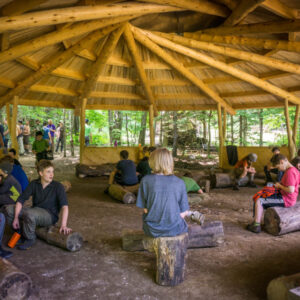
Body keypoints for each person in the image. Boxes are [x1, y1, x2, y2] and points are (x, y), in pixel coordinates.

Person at [3, 160, 72, 250]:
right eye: (48, 172)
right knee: (8, 209)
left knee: (30, 213)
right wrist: (16, 218)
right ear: (40, 173)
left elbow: (65, 207)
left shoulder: (58, 187)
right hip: (35, 211)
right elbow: (20, 200)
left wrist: (63, 225)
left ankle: (30, 238)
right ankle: (19, 232)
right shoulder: (34, 184)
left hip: (49, 215)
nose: (52, 174)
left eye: (52, 171)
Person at [136, 148, 204, 238]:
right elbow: (182, 214)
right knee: (183, 213)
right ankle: (191, 213)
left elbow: (145, 210)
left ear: (152, 162)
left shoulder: (145, 181)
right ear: (170, 162)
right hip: (175, 229)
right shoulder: (179, 182)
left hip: (152, 230)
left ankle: (190, 213)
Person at [247, 154, 300, 233]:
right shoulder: (294, 170)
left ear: (282, 162)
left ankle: (256, 225)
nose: (279, 169)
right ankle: (256, 222)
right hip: (285, 196)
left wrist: (279, 186)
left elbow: (291, 190)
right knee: (262, 195)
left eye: (278, 167)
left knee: (259, 200)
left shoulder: (290, 172)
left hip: (286, 200)